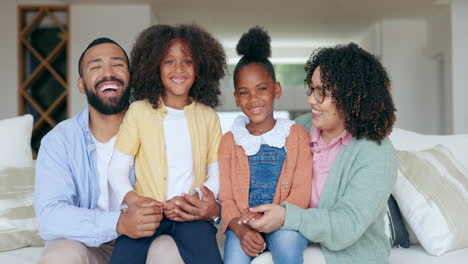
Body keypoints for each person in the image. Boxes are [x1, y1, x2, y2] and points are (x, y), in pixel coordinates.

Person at [247, 43, 398, 264]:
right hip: (294, 242)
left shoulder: (377, 152)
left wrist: (287, 217)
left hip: (350, 256)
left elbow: (346, 226)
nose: (310, 100)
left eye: (322, 93)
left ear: (352, 97)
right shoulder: (299, 129)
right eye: (312, 89)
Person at [34, 38, 166, 264]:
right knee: (61, 255)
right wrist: (119, 223)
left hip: (147, 240)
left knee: (169, 250)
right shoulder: (59, 141)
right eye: (96, 67)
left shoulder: (159, 129)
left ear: (130, 78)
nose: (108, 73)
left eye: (118, 65)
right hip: (86, 244)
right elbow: (50, 216)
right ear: (82, 84)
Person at [107, 24, 226, 264]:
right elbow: (117, 170)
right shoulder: (138, 112)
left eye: (188, 62)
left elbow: (216, 174)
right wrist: (135, 201)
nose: (179, 69)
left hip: (190, 214)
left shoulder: (208, 117)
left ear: (201, 67)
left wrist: (191, 199)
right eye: (169, 61)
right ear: (154, 67)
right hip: (146, 214)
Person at [218, 27, 312, 264]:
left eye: (261, 89)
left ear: (276, 90)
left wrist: (278, 216)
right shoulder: (230, 141)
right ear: (237, 98)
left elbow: (302, 190)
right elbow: (226, 198)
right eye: (244, 92)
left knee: (287, 246)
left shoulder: (296, 134)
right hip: (244, 223)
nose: (254, 99)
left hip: (284, 220)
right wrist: (240, 229)